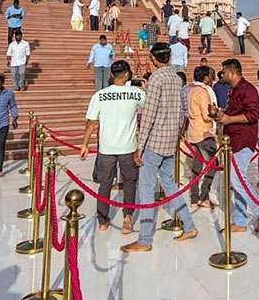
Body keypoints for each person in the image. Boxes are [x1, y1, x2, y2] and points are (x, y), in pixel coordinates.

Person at [121, 43, 199, 253]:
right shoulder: (176, 77)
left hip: (154, 141)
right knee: (170, 185)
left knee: (146, 189)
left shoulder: (156, 78)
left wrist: (139, 147)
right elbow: (182, 111)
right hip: (170, 141)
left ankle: (145, 240)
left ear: (153, 59)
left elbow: (149, 114)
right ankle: (189, 225)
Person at [79, 60, 145, 234]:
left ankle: (102, 220)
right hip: (128, 147)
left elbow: (91, 122)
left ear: (111, 75)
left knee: (105, 184)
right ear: (127, 75)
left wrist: (85, 144)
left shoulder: (100, 95)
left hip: (107, 148)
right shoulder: (136, 93)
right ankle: (128, 218)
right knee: (130, 182)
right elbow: (149, 109)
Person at [210, 59, 259, 233]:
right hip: (232, 140)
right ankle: (240, 220)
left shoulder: (248, 90)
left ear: (233, 72)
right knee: (236, 180)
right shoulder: (234, 90)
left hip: (243, 140)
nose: (222, 74)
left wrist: (229, 119)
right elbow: (232, 112)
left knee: (237, 180)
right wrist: (220, 115)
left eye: (224, 71)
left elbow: (253, 115)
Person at [186, 65, 218, 208]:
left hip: (193, 132)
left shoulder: (190, 90)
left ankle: (194, 198)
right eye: (211, 75)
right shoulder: (202, 92)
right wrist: (217, 115)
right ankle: (203, 196)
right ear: (205, 77)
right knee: (213, 165)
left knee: (196, 167)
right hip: (204, 133)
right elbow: (206, 115)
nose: (212, 78)